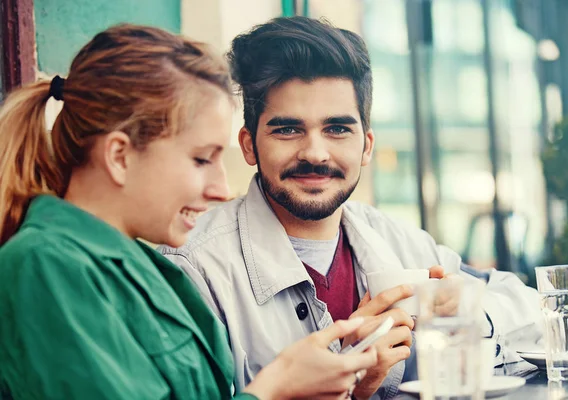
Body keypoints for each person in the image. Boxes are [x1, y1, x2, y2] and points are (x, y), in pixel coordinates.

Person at [158, 16, 544, 400]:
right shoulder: (193, 269)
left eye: (337, 129)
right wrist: (351, 381)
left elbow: (535, 309)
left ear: (367, 146)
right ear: (248, 145)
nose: (315, 152)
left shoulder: (395, 239)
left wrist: (466, 312)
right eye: (287, 129)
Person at [0, 24, 378, 400]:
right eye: (201, 159)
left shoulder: (149, 269)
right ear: (119, 156)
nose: (220, 189)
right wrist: (274, 389)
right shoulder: (44, 266)